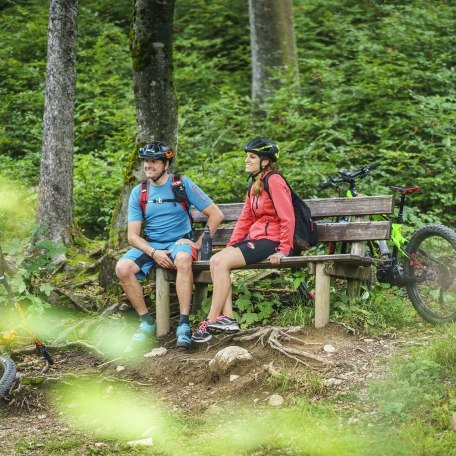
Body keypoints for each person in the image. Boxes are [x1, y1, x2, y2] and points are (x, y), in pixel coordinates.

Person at [115, 141, 224, 349]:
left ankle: (183, 325)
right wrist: (153, 252)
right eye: (146, 161)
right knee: (122, 268)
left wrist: (198, 244)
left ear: (166, 164)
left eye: (154, 161)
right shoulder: (139, 192)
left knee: (183, 259)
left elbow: (216, 214)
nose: (148, 165)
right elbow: (132, 236)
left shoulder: (181, 184)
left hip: (179, 243)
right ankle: (146, 322)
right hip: (152, 245)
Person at [192, 137, 295, 342]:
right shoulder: (254, 184)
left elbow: (287, 216)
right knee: (216, 260)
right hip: (258, 239)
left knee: (221, 262)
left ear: (264, 161)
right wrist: (231, 247)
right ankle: (228, 318)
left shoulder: (274, 180)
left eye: (252, 157)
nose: (247, 160)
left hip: (271, 241)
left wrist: (283, 249)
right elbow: (245, 219)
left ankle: (211, 320)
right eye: (246, 156)